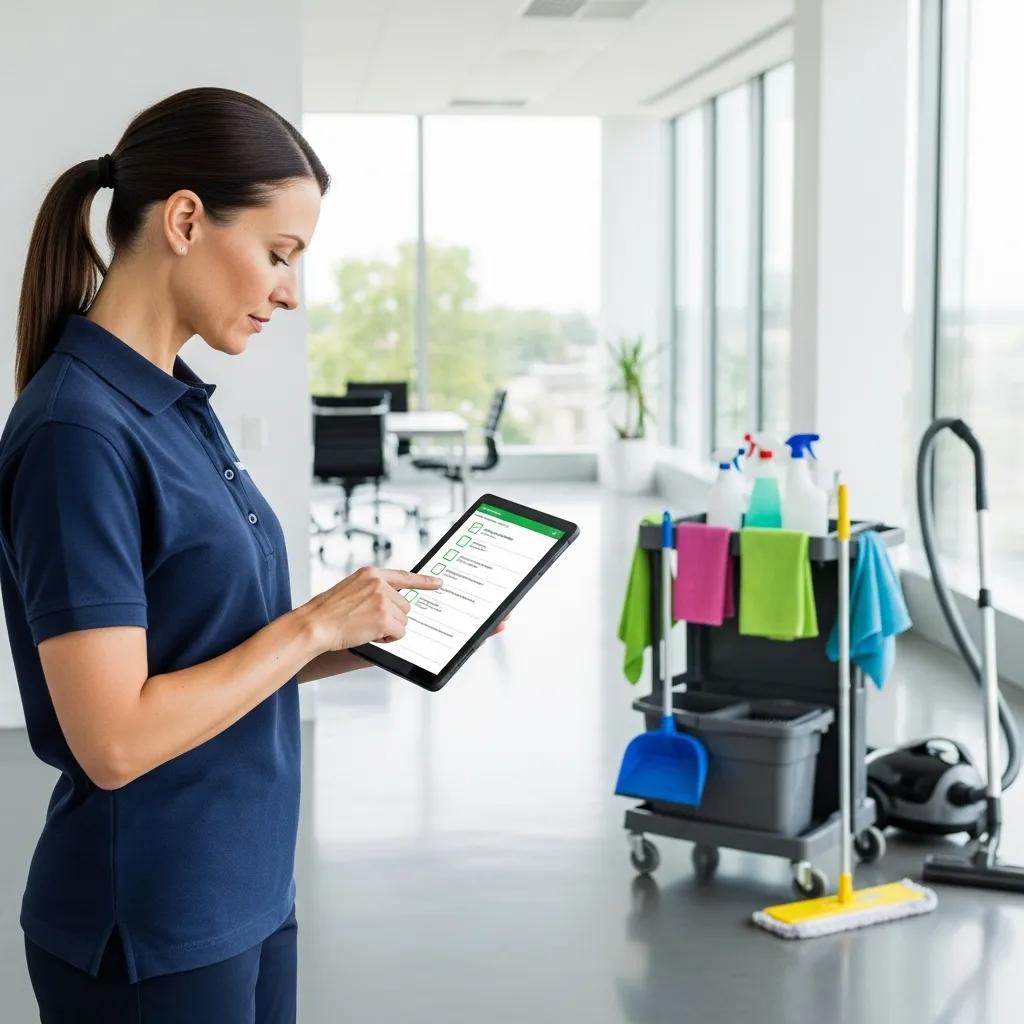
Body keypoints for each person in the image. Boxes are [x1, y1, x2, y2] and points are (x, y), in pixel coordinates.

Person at [0, 85, 507, 1023]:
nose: (291, 289)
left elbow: (214, 656)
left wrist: (377, 637)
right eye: (279, 254)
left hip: (247, 892)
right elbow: (112, 742)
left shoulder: (179, 407)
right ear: (187, 219)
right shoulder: (80, 432)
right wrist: (314, 620)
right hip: (151, 927)